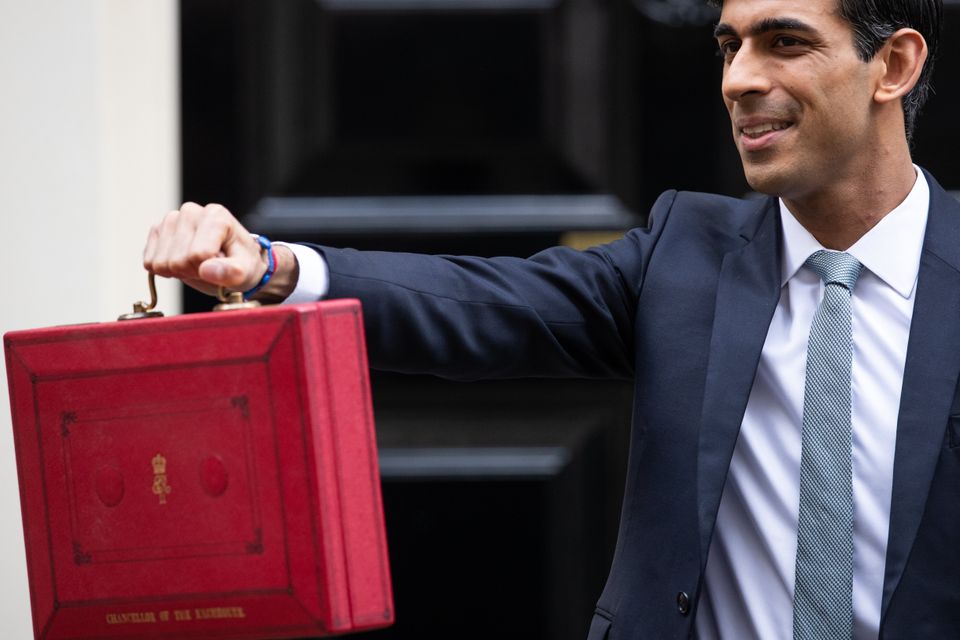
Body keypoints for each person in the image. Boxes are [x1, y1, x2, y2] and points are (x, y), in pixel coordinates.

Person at [144, 0, 958, 637]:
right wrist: (272, 265)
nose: (738, 79)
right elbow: (483, 303)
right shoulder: (685, 257)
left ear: (893, 63)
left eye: (784, 43)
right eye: (728, 45)